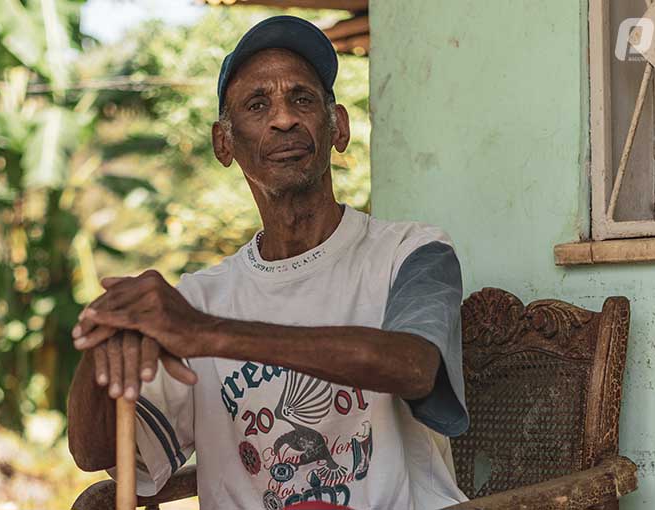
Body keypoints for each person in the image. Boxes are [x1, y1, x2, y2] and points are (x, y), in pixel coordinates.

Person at [67, 15, 470, 510]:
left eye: (301, 99)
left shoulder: (412, 253)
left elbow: (414, 367)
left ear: (337, 126)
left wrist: (207, 333)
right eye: (258, 105)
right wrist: (100, 341)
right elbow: (95, 453)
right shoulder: (200, 298)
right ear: (225, 143)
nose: (283, 119)